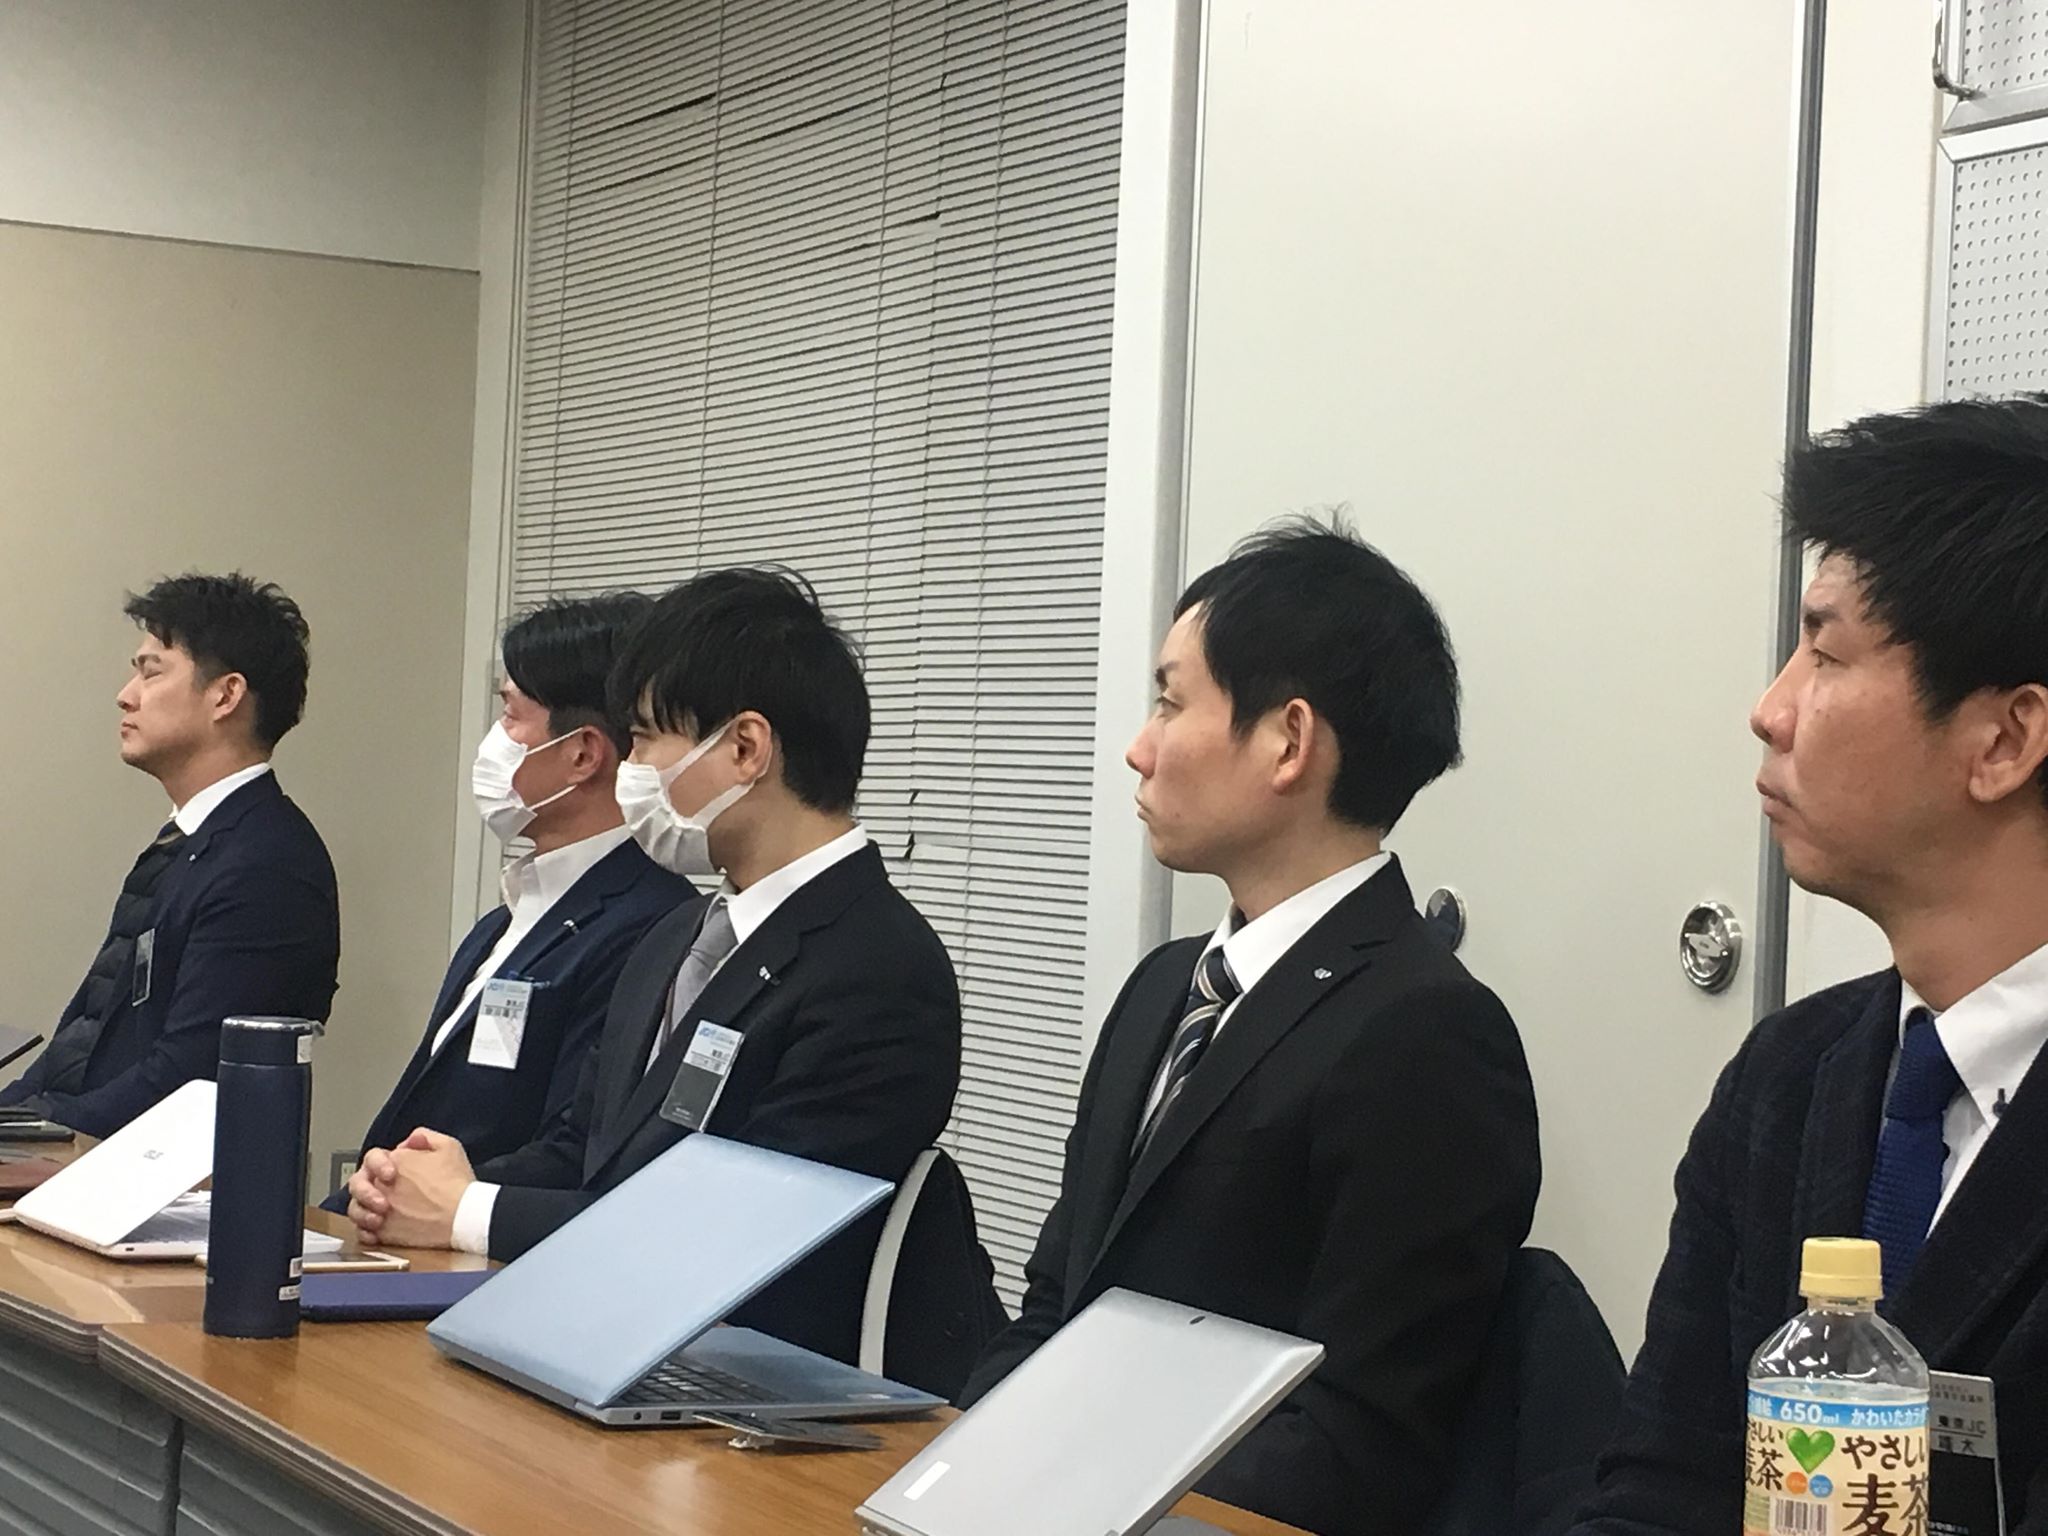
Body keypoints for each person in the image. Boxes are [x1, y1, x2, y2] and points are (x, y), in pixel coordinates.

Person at [959, 520, 1541, 1536]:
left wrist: (1073, 1489)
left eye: (1169, 702)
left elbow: (1357, 1443)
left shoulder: (1428, 1034)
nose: (1139, 748)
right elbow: (1054, 1305)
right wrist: (961, 1463)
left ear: (1287, 741)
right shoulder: (1161, 989)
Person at [1571, 396, 2048, 1534]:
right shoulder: (1788, 1074)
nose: (1769, 709)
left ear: (2003, 741)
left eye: (1824, 653)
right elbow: (1661, 1480)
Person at [345, 567, 962, 1366]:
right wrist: (429, 1182)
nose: (631, 768)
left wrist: (468, 1214)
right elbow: (583, 1147)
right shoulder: (677, 936)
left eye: (643, 739)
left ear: (744, 748)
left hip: (748, 1391)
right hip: (610, 1349)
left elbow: (735, 1235)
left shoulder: (878, 969)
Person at [322, 595, 691, 1203]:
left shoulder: (651, 924)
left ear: (582, 754)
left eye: (511, 715)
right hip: (391, 1230)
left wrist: (428, 1200)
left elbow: (575, 1148)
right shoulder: (507, 916)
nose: (494, 741)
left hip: (479, 1243)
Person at [1, 573, 339, 1137]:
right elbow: (81, 1042)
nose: (126, 694)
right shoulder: (188, 843)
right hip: (84, 1156)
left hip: (152, 1176)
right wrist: (15, 1120)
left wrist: (36, 1132)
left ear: (225, 695)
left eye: (151, 671)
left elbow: (187, 1078)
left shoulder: (267, 865)